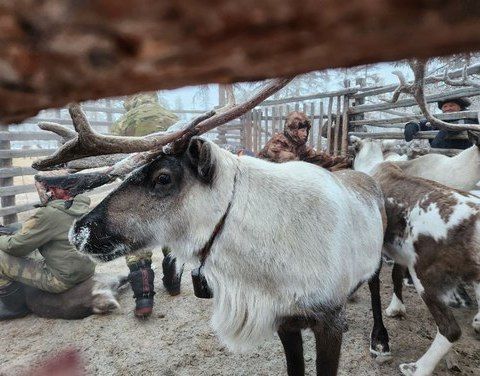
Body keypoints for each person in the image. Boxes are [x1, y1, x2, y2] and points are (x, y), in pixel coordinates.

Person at [112, 92, 183, 318]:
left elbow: (114, 155)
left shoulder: (123, 122)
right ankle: (173, 283)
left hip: (136, 189)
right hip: (167, 186)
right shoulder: (171, 117)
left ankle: (144, 299)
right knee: (170, 233)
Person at [0, 174, 96, 320]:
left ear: (61, 190)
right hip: (85, 269)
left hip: (61, 278)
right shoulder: (83, 205)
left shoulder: (50, 214)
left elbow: (15, 246)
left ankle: (14, 307)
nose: (47, 190)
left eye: (51, 187)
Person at [258, 111, 352, 171]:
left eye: (306, 130)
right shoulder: (278, 142)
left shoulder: (299, 146)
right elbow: (291, 163)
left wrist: (340, 161)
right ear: (293, 130)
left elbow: (317, 157)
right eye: (302, 130)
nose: (305, 134)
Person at [404, 96, 478, 149]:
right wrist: (413, 125)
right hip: (438, 159)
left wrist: (448, 129)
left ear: (461, 107)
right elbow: (423, 123)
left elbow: (468, 122)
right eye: (445, 106)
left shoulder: (470, 117)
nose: (448, 108)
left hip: (462, 158)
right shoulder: (437, 119)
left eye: (452, 105)